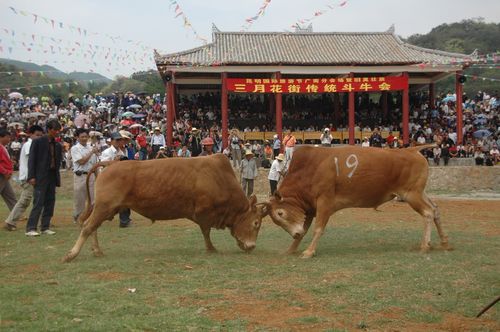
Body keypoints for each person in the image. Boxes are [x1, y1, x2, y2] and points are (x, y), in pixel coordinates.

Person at [25, 119, 62, 236]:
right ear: (49, 129)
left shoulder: (57, 145)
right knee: (38, 202)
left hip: (52, 175)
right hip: (40, 176)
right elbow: (32, 160)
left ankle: (45, 226)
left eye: (58, 130)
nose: (57, 132)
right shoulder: (38, 142)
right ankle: (31, 228)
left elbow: (58, 162)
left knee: (50, 201)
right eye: (55, 130)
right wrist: (31, 176)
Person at [4, 125, 44, 231]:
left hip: (33, 177)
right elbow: (33, 160)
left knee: (38, 199)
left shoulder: (35, 144)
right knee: (25, 200)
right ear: (30, 134)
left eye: (40, 135)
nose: (39, 137)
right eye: (37, 135)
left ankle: (43, 221)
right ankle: (10, 221)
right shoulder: (28, 145)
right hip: (28, 177)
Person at [100, 132, 132, 227]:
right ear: (112, 141)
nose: (119, 142)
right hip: (110, 180)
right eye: (117, 140)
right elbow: (103, 166)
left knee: (125, 199)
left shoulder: (121, 152)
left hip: (120, 180)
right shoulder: (107, 152)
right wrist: (115, 161)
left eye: (120, 140)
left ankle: (124, 221)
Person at [70, 128, 99, 223]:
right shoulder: (75, 148)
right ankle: (78, 217)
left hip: (91, 175)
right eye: (82, 137)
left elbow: (95, 164)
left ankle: (90, 217)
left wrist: (97, 176)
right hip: (80, 175)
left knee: (93, 198)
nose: (84, 138)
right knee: (80, 199)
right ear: (77, 137)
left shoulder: (91, 148)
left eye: (86, 136)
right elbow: (82, 161)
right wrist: (91, 152)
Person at [0, 128, 17, 221]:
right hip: (2, 175)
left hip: (4, 175)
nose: (9, 139)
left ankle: (16, 214)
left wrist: (10, 163)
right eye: (7, 137)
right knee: (10, 197)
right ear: (1, 137)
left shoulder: (3, 147)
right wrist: (5, 172)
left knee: (10, 196)